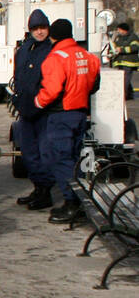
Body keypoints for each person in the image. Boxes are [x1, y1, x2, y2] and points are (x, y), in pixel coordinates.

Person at [33, 18, 101, 223]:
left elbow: (52, 90)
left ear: (53, 35)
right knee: (73, 158)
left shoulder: (56, 57)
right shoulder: (86, 55)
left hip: (61, 114)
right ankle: (78, 199)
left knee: (60, 160)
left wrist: (38, 101)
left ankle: (73, 203)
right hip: (80, 112)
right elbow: (94, 84)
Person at [10, 8, 55, 210]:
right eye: (35, 28)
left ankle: (45, 191)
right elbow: (18, 77)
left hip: (44, 111)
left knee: (44, 152)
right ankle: (38, 187)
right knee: (28, 152)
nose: (39, 32)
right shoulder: (24, 50)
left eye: (43, 28)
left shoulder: (52, 50)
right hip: (26, 109)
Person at [109, 21, 139, 100]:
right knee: (124, 79)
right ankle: (130, 94)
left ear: (124, 30)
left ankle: (124, 96)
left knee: (125, 79)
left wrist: (121, 50)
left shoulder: (133, 37)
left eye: (119, 29)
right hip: (119, 62)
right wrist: (112, 53)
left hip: (129, 62)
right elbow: (114, 47)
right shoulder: (118, 38)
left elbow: (135, 48)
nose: (118, 31)